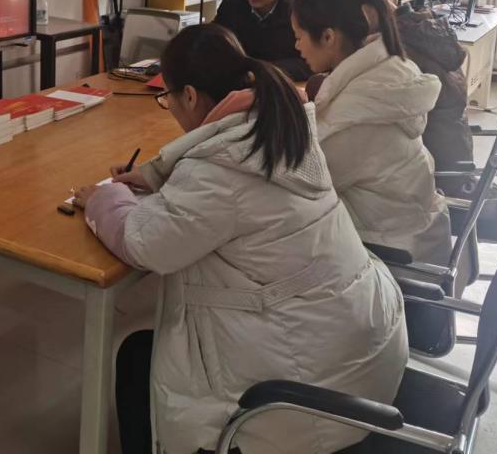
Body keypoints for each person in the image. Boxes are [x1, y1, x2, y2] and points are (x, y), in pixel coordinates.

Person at [72, 24, 407, 454]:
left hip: (301, 399)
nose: (170, 109)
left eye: (167, 98)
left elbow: (145, 244)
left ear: (189, 95)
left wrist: (105, 198)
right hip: (360, 352)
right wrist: (157, 175)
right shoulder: (279, 124)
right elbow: (228, 182)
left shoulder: (220, 170)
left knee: (138, 358)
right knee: (142, 349)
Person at [291, 0, 452, 266]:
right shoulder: (390, 71)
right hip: (414, 230)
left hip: (387, 248)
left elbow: (306, 183)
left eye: (298, 36)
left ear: (328, 37)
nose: (296, 46)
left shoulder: (358, 110)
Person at [324, 0, 473, 169]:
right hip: (450, 156)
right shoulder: (420, 30)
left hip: (432, 171)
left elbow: (356, 117)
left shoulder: (394, 51)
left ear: (366, 10)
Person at [213, 0, 311, 80]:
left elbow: (309, 63)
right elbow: (216, 47)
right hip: (239, 82)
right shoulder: (231, 7)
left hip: (284, 84)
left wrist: (261, 72)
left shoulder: (301, 11)